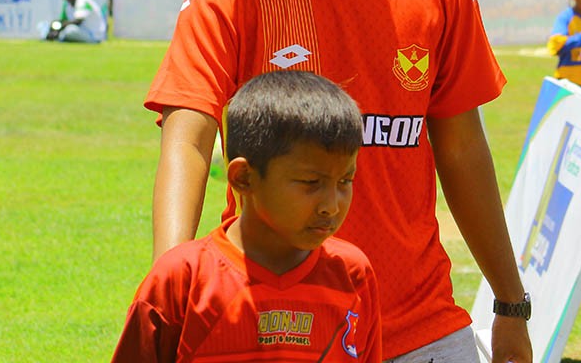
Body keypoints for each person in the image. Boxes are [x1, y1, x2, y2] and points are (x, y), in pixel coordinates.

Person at [145, 0, 531, 363]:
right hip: (273, 330)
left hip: (424, 329)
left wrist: (510, 303)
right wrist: (172, 291)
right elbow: (187, 141)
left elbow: (460, 149)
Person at [113, 70, 381, 362]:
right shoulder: (183, 280)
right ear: (243, 178)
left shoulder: (352, 275)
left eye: (345, 181)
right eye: (310, 183)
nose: (331, 205)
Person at [37, 0, 106, 43]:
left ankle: (58, 37)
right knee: (43, 25)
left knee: (70, 30)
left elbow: (78, 21)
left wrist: (59, 27)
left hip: (93, 36)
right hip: (81, 31)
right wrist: (54, 25)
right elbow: (63, 20)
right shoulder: (67, 4)